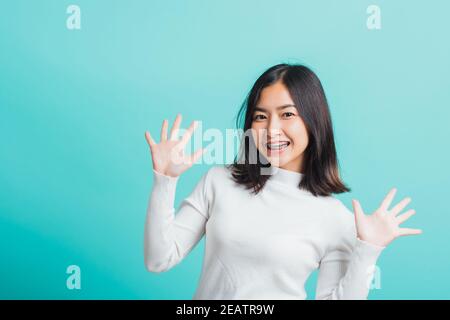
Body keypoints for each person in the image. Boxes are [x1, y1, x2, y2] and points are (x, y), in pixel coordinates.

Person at [143, 63, 422, 300]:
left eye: (287, 114)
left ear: (313, 121)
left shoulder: (335, 218)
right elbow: (159, 258)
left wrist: (367, 251)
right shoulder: (219, 182)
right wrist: (165, 180)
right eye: (261, 116)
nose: (272, 130)